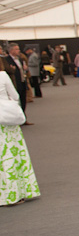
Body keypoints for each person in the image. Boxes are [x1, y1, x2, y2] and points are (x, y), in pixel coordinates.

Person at [0, 60, 40, 206]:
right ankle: (16, 193)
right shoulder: (3, 75)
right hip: (6, 123)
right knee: (11, 156)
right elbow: (16, 96)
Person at [4, 44, 29, 119]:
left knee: (23, 100)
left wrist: (25, 69)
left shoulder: (20, 59)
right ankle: (17, 118)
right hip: (14, 83)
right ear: (11, 50)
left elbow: (22, 69)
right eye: (17, 49)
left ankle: (23, 118)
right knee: (16, 101)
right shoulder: (6, 60)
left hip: (22, 81)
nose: (19, 51)